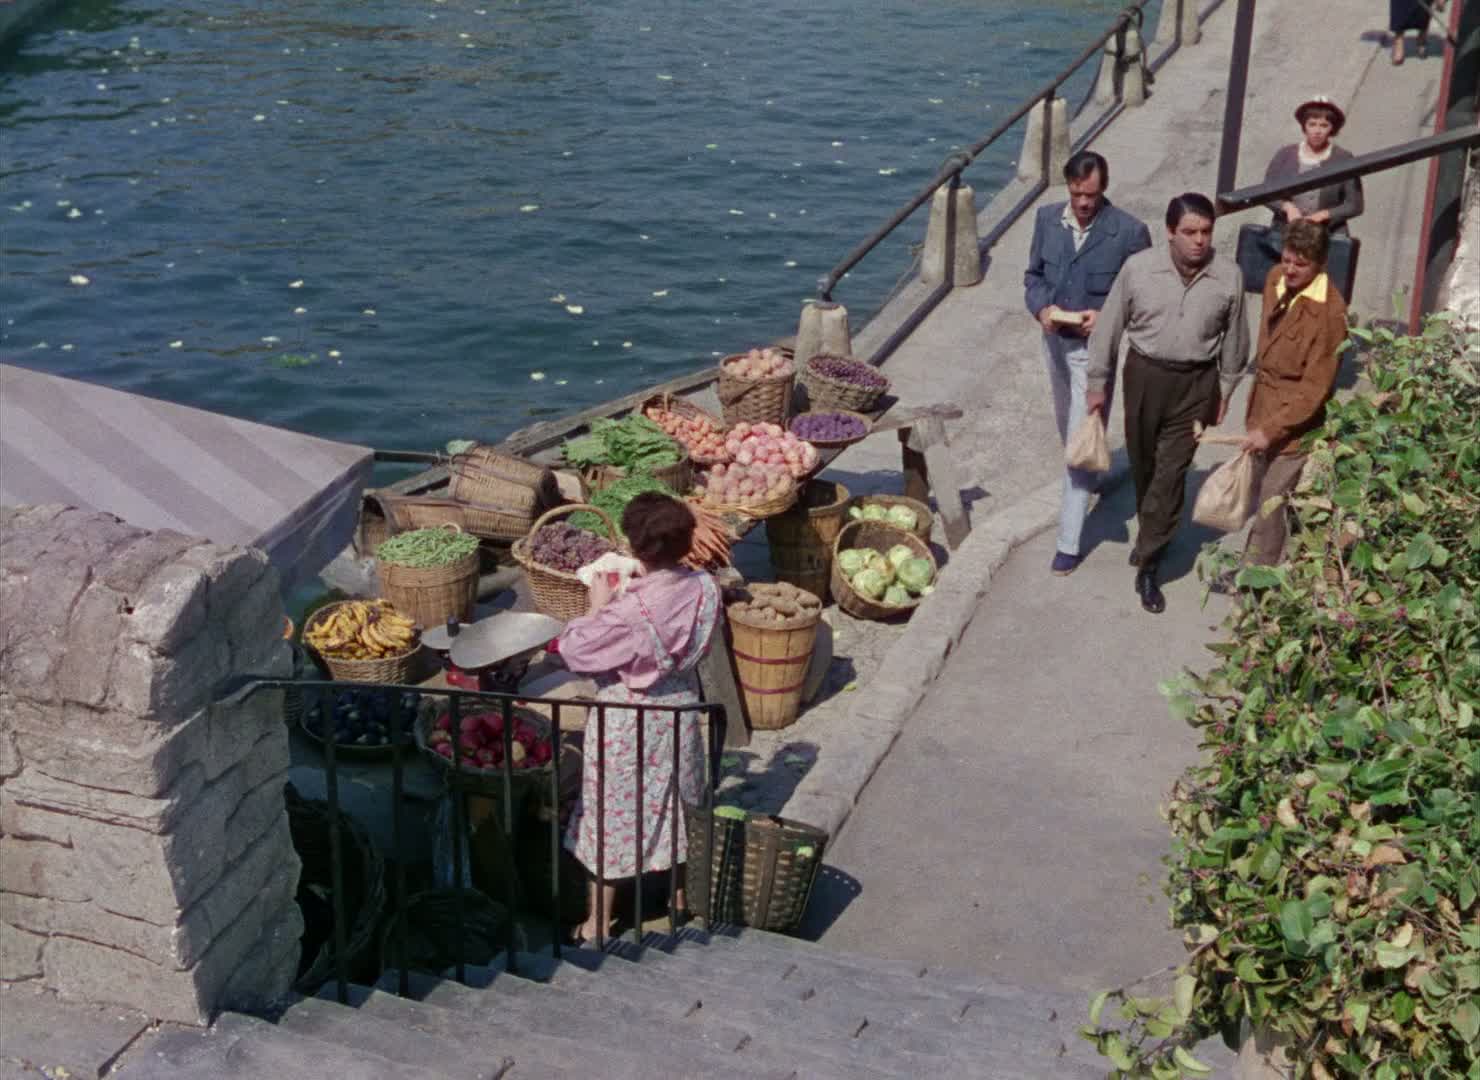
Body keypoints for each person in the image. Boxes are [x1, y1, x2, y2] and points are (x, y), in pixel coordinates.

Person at [554, 492, 720, 944]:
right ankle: (678, 899)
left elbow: (574, 650)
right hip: (681, 708)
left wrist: (596, 604)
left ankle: (597, 924)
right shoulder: (706, 587)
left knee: (613, 814)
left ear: (634, 546)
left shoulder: (629, 613)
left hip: (629, 720)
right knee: (679, 803)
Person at [1086, 193, 1250, 614]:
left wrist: (1225, 391)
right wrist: (1097, 382)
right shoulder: (1138, 269)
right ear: (1170, 232)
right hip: (1144, 376)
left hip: (1197, 384)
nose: (1199, 241)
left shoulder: (1228, 276)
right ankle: (1153, 530)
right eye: (1190, 232)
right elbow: (1108, 328)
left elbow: (1236, 341)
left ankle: (1149, 562)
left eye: (1206, 232)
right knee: (1144, 464)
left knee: (1171, 474)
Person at [1023, 150, 1152, 575]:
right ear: (1068, 187)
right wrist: (1042, 308)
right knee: (1068, 426)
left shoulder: (1129, 233)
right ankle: (1093, 475)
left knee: (1078, 441)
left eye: (1091, 195)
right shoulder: (1046, 220)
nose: (1083, 203)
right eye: (1077, 194)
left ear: (1104, 189)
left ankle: (1069, 541)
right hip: (1055, 344)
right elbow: (1033, 276)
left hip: (1093, 353)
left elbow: (1144, 296)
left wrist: (1108, 317)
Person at [1242, 220, 1349, 565]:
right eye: (1286, 259)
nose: (1289, 269)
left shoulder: (1330, 314)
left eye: (1300, 264)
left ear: (1321, 264)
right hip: (1262, 409)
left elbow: (1315, 389)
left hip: (1295, 428)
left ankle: (1258, 583)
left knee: (1271, 504)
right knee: (1259, 496)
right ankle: (1252, 570)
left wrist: (1270, 431)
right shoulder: (1276, 278)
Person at [1263, 96, 1363, 235]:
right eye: (1312, 124)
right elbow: (1265, 193)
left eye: (1324, 125)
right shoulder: (1285, 154)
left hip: (1327, 233)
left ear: (1332, 128)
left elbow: (1355, 205)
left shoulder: (1344, 158)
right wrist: (1288, 207)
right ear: (1304, 126)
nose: (1317, 131)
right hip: (1287, 232)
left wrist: (1323, 215)